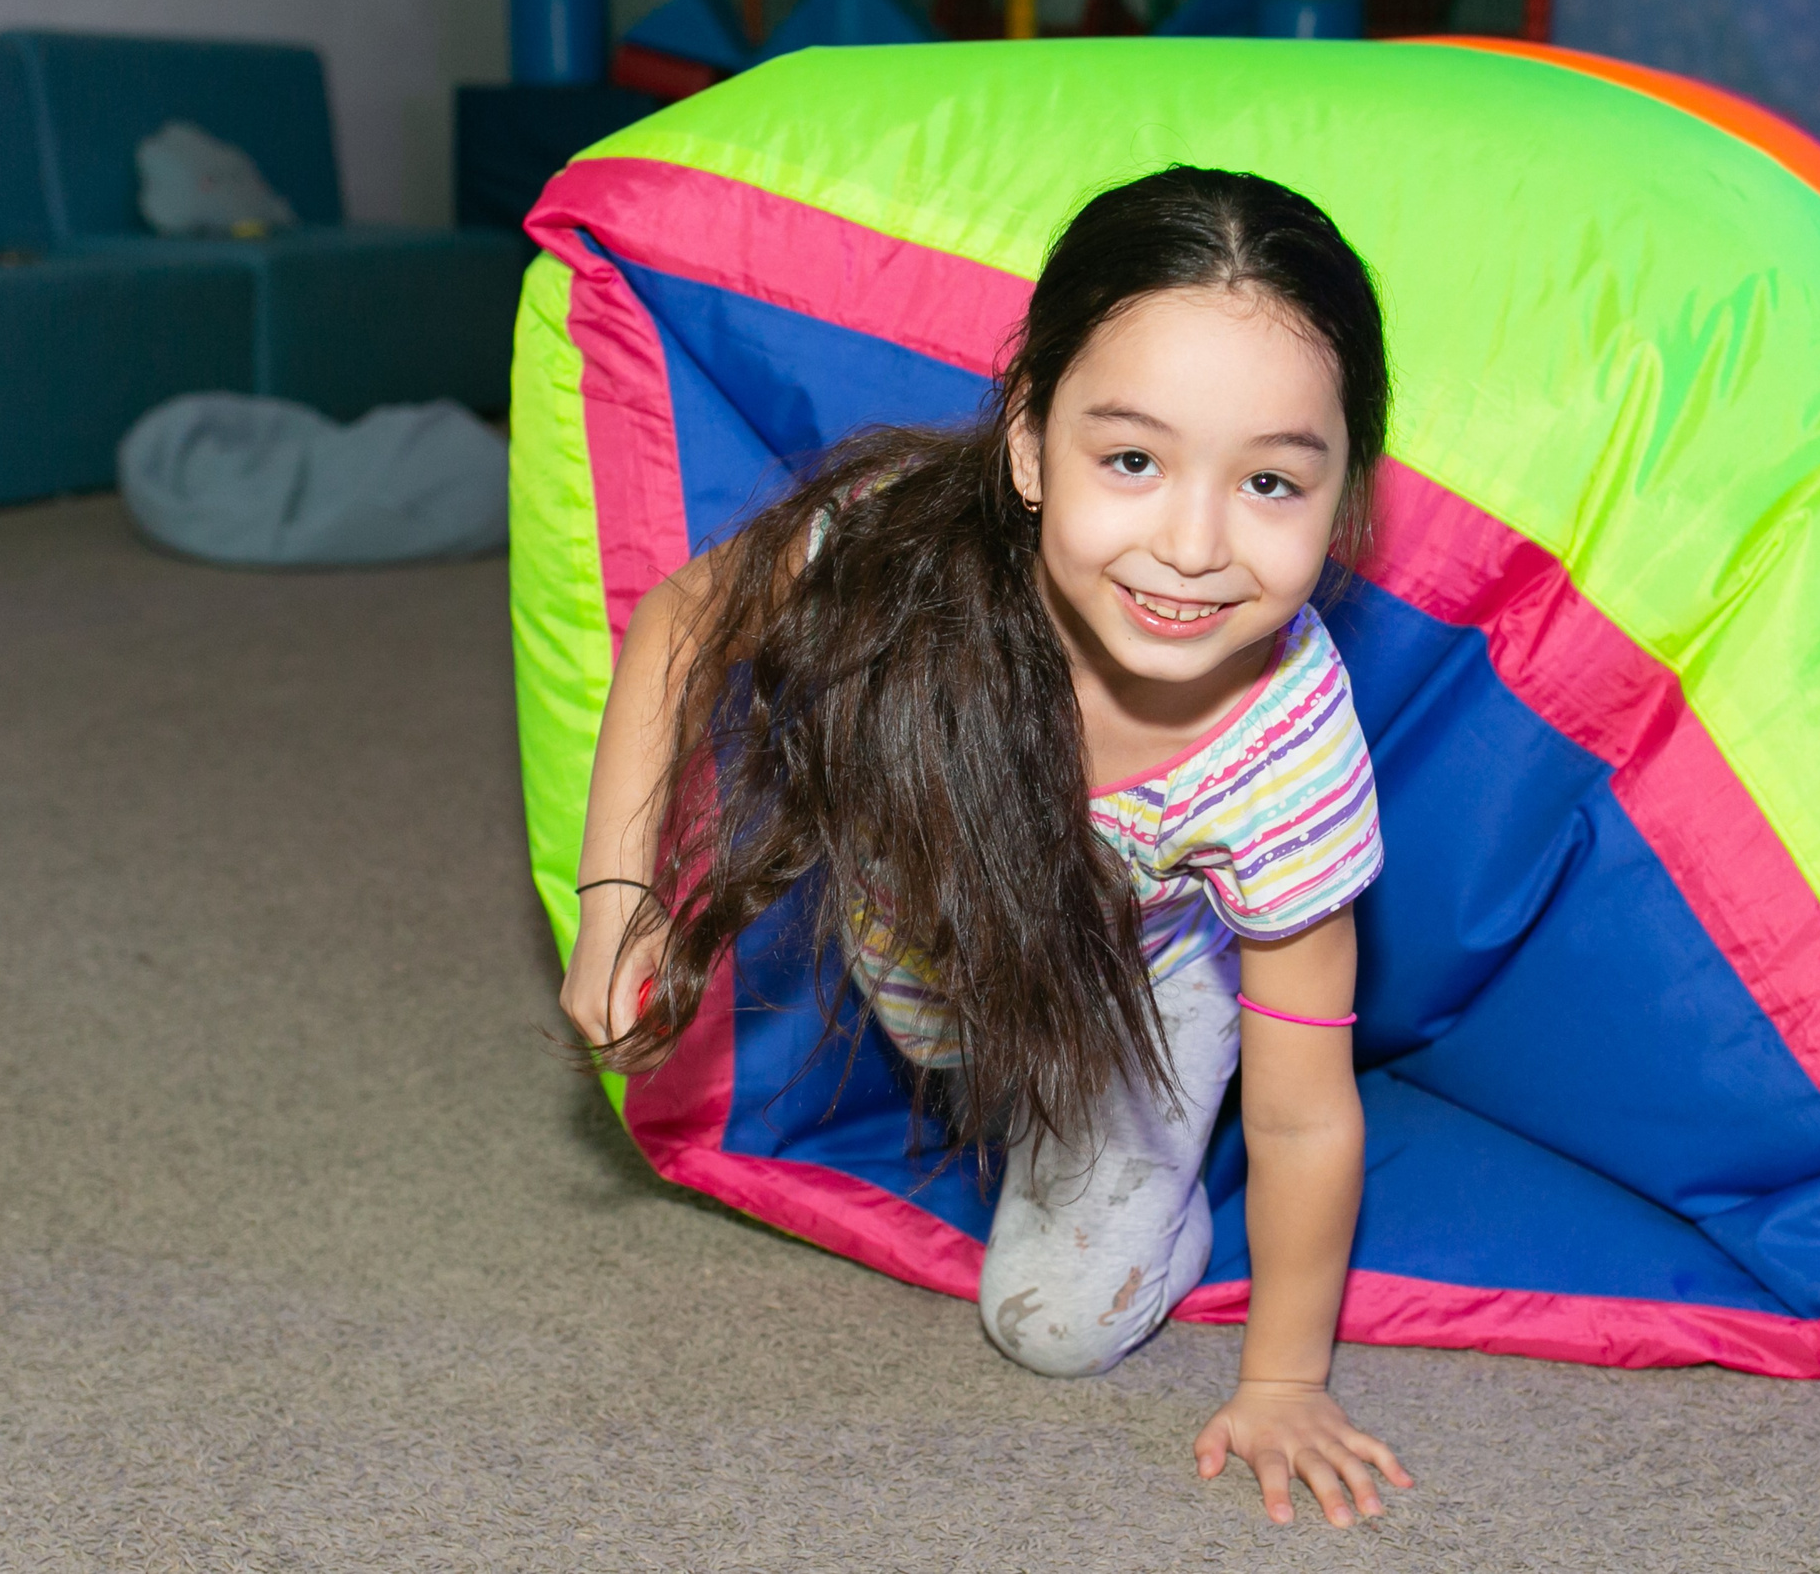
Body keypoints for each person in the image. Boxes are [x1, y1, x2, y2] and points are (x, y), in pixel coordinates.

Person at [559, 167, 1414, 1527]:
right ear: (1028, 446)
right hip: (934, 927)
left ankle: (1151, 1188)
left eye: (1268, 481)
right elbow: (682, 617)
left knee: (1051, 1324)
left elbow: (1308, 1105)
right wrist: (619, 901)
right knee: (933, 973)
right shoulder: (902, 542)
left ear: (1344, 504)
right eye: (1130, 459)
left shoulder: (1286, 761)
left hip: (1137, 983)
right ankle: (992, 1078)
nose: (1191, 546)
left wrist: (1285, 1377)